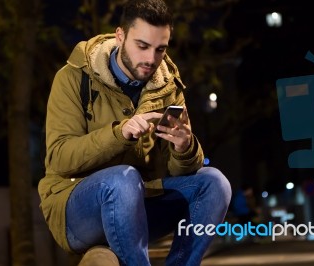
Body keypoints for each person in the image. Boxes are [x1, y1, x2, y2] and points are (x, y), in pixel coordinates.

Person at [37, 0, 231, 265]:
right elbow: (59, 158)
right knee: (123, 179)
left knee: (215, 183)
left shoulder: (168, 87)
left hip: (138, 204)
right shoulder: (73, 78)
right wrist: (119, 134)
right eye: (142, 46)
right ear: (120, 36)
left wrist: (184, 148)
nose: (151, 59)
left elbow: (179, 172)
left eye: (160, 49)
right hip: (76, 209)